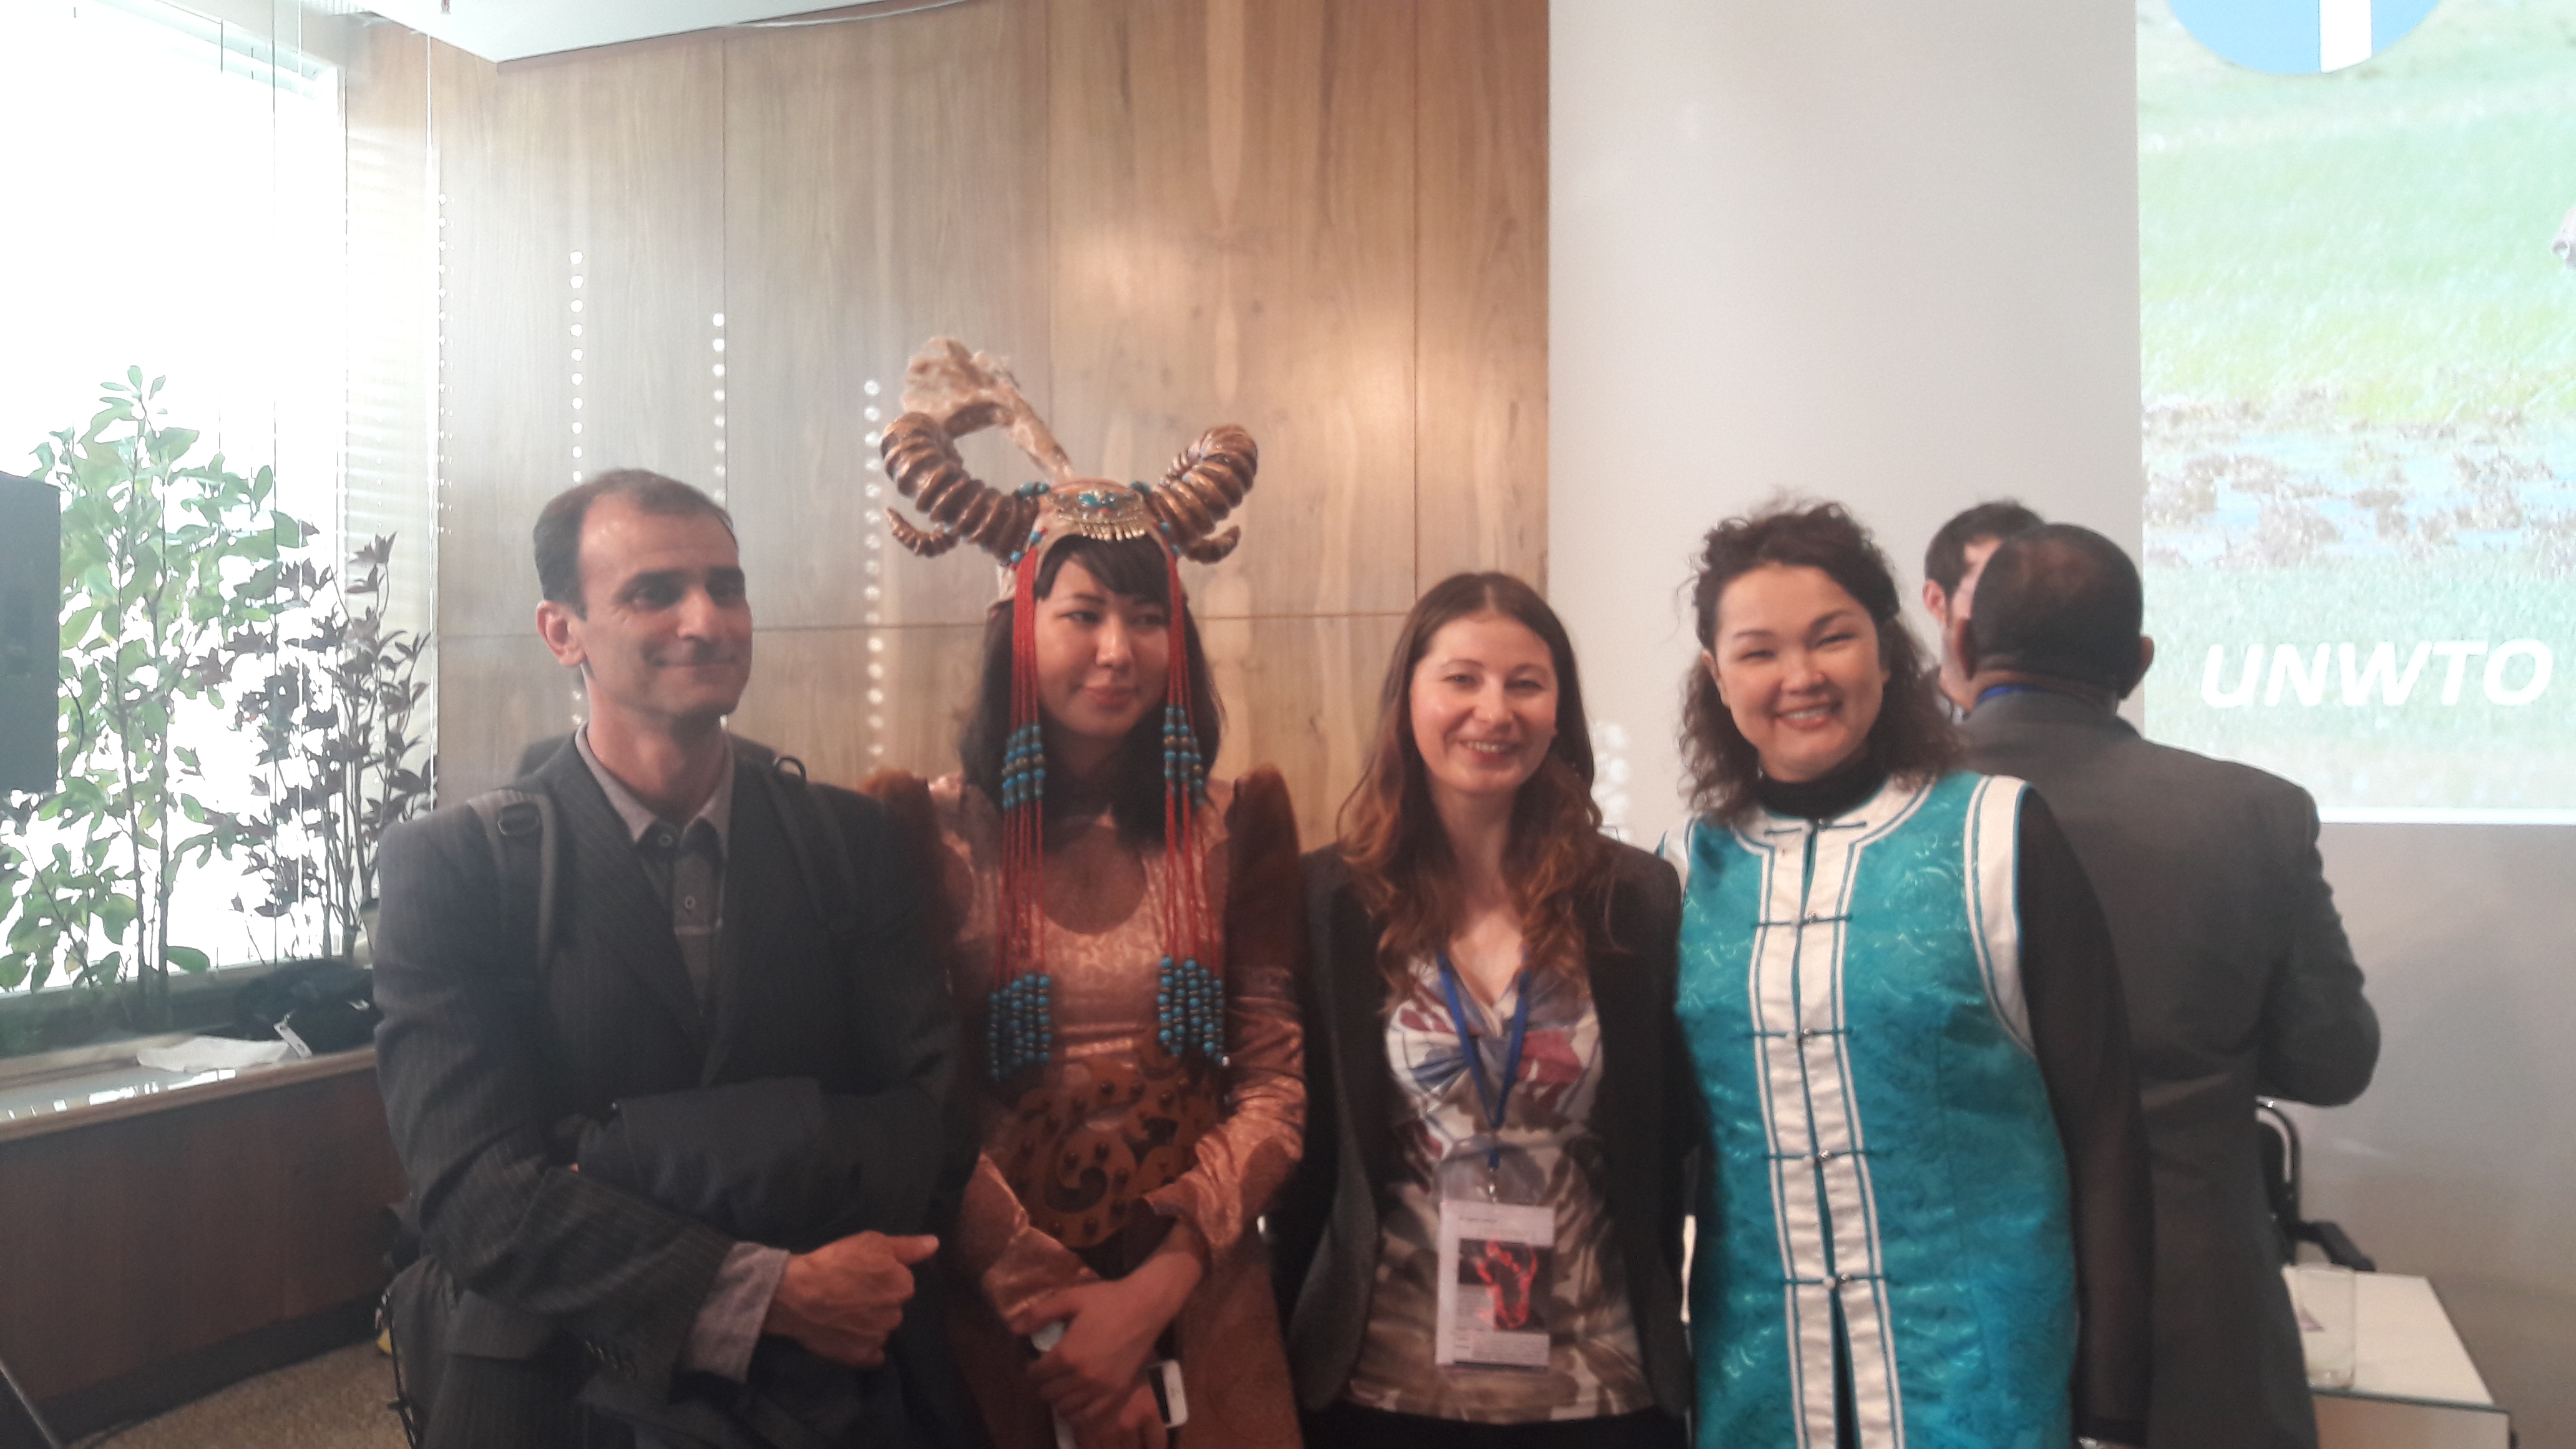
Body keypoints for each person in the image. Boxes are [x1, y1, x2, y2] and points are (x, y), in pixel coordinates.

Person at [374, 470, 984, 1449]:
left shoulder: (849, 842)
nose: (707, 620)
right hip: (563, 1382)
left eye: (726, 586)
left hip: (835, 1384)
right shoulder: (457, 868)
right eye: (654, 592)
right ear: (562, 632)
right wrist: (765, 1288)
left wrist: (603, 1157)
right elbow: (475, 1193)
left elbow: (929, 1120)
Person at [862, 339, 1305, 1449]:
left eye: (1148, 617)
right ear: (1018, 628)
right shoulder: (919, 831)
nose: (1118, 650)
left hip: (1199, 1284)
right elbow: (918, 1103)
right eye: (1083, 614)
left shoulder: (1238, 824)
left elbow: (1274, 1087)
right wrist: (1063, 1316)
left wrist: (1150, 1294)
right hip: (995, 1306)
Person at [1674, 501, 2153, 1449]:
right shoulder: (1687, 871)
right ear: (1717, 676)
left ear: (1888, 652)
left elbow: (2105, 1132)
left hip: (1986, 1384)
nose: (1801, 677)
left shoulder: (1999, 835)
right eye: (1759, 651)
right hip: (1760, 1390)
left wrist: (2113, 1410)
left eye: (1832, 638)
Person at [1959, 524, 2378, 1449]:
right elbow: (2332, 1059)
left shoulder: (1886, 810)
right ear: (2140, 661)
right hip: (2196, 1332)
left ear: (1959, 645)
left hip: (1949, 1330)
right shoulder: (2254, 813)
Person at [1271, 572, 1695, 1449]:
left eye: (1525, 683)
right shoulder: (1328, 901)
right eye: (1462, 679)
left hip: (1602, 1390)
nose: (1493, 711)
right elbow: (1312, 1166)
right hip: (1380, 1389)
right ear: (1409, 699)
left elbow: (1667, 1142)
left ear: (1559, 710)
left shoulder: (1634, 899)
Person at [1921, 500, 2042, 714]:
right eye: (1993, 592)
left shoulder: (2085, 724)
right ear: (1937, 602)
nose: (2019, 612)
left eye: (2037, 594)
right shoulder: (1886, 722)